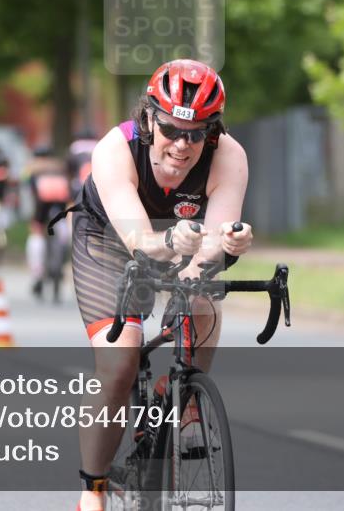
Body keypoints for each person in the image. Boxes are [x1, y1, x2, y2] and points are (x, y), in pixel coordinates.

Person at [63, 60, 254, 511]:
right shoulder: (116, 149)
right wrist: (169, 242)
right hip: (110, 240)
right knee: (120, 362)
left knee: (203, 298)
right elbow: (141, 243)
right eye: (171, 129)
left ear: (213, 130)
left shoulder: (228, 155)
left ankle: (182, 395)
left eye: (197, 133)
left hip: (179, 236)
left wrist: (226, 244)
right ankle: (92, 491)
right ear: (149, 118)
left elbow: (213, 243)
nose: (182, 145)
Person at [25, 146, 71, 303]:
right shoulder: (60, 168)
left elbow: (30, 195)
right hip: (59, 211)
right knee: (64, 239)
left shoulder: (33, 170)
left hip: (41, 211)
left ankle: (37, 275)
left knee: (36, 240)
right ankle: (61, 268)